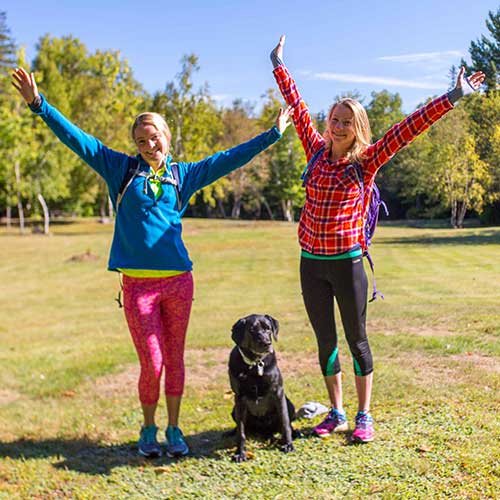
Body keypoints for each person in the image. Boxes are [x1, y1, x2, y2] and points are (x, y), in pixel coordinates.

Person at [12, 66, 292, 458]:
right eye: (141, 139)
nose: (148, 144)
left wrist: (273, 134)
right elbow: (80, 141)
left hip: (179, 282)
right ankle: (149, 430)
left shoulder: (184, 175)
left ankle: (175, 430)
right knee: (153, 363)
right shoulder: (121, 170)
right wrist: (39, 105)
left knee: (174, 360)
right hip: (138, 286)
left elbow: (229, 159)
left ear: (166, 137)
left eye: (154, 136)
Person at [270, 35, 485, 443]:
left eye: (346, 122)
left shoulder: (365, 162)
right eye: (333, 119)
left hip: (347, 263)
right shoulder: (315, 151)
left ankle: (363, 415)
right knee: (326, 342)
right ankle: (336, 411)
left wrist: (454, 95)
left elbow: (409, 129)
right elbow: (297, 107)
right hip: (310, 263)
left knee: (357, 341)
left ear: (358, 129)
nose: (336, 126)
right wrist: (278, 65)